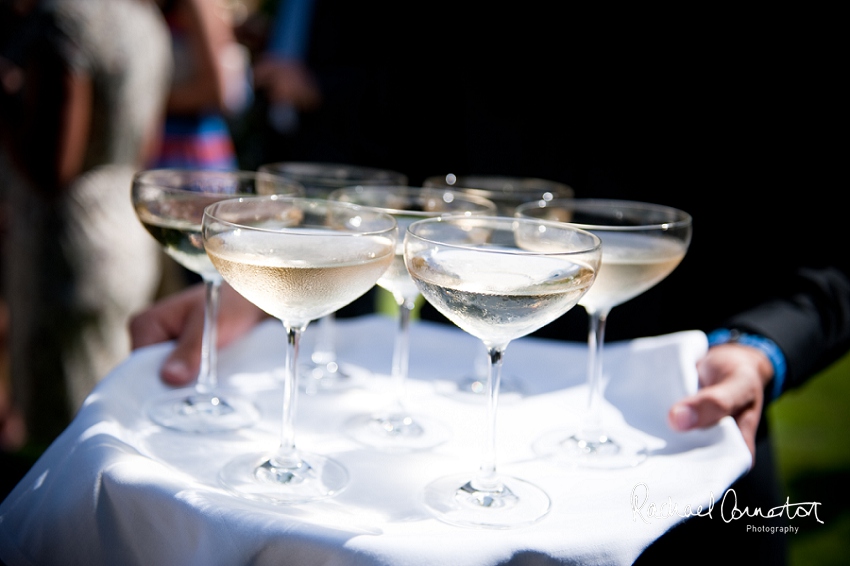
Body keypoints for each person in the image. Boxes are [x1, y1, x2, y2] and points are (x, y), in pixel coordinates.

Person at [0, 0, 173, 451]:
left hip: (66, 248)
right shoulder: (146, 21)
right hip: (127, 226)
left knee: (62, 439)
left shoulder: (64, 19)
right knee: (110, 412)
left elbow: (51, 168)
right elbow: (145, 143)